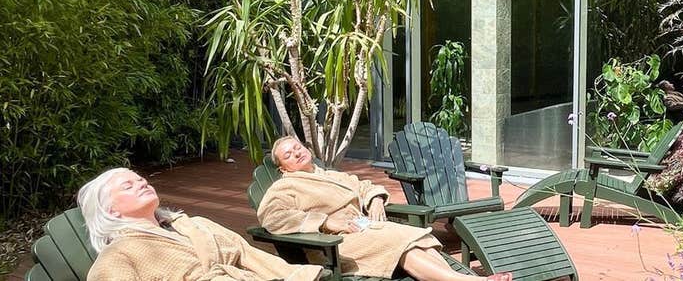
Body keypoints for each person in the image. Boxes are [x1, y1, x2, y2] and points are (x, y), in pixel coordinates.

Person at [257, 137, 512, 281]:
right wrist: (324, 222)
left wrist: (376, 198)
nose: (296, 153)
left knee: (418, 237)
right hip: (333, 245)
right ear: (283, 168)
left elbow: (363, 185)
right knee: (398, 241)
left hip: (363, 230)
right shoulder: (285, 187)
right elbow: (271, 217)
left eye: (297, 147)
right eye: (288, 155)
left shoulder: (327, 174)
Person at [78, 167, 326, 281]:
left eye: (141, 180)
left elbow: (246, 252)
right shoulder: (119, 254)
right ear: (109, 209)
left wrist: (296, 274)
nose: (142, 183)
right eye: (128, 186)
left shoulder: (193, 224)